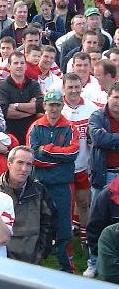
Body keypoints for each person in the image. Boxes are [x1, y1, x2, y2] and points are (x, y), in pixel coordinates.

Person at [26, 88, 78, 273]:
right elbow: (33, 158)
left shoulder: (70, 127)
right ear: (45, 106)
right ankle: (35, 267)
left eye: (57, 105)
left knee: (64, 228)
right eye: (50, 105)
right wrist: (58, 158)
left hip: (62, 187)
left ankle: (67, 269)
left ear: (62, 106)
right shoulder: (35, 127)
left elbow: (73, 153)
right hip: (40, 185)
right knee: (37, 226)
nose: (54, 109)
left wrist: (47, 150)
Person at [0, 146, 55, 264]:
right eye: (20, 163)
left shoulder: (39, 190)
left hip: (31, 258)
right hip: (1, 257)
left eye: (29, 164)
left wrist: (41, 252)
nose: (24, 168)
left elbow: (49, 222)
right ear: (9, 163)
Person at [61, 72, 98, 251]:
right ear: (63, 89)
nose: (74, 90)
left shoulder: (91, 109)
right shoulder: (58, 109)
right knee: (64, 205)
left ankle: (86, 238)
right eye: (70, 87)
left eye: (77, 87)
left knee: (84, 202)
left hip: (83, 165)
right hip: (63, 166)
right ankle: (63, 240)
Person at [0, 51, 44, 143]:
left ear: (26, 66)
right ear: (9, 66)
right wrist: (31, 112)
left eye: (22, 63)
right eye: (15, 63)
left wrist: (16, 106)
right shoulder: (2, 86)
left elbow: (40, 106)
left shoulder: (34, 84)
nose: (19, 66)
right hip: (12, 134)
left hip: (32, 133)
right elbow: (5, 112)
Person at [90, 81, 119, 201]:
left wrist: (109, 138)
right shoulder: (97, 117)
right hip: (104, 174)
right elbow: (98, 140)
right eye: (116, 97)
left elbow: (104, 140)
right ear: (108, 97)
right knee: (99, 217)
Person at [86, 177, 119, 279]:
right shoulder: (106, 197)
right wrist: (102, 255)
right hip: (113, 257)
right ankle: (94, 264)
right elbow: (94, 230)